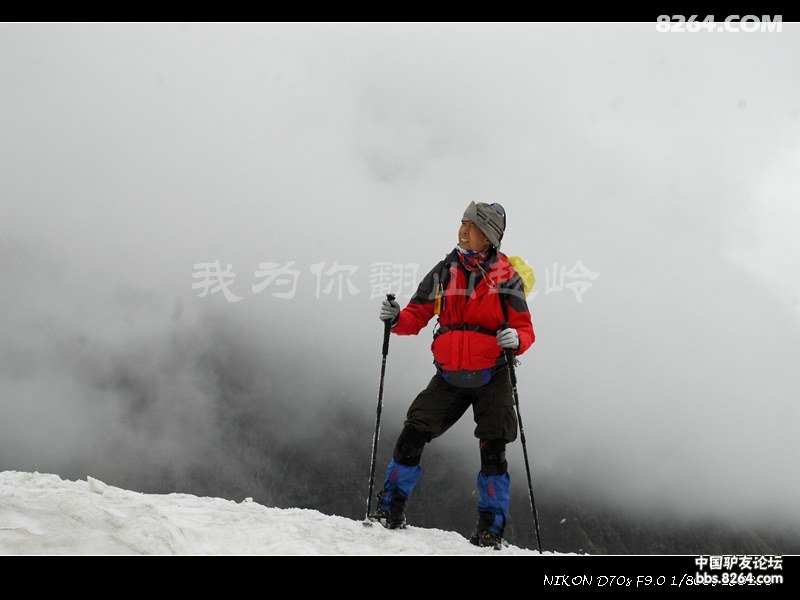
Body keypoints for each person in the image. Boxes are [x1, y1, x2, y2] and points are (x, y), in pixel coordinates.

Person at [372, 201, 535, 549]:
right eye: (462, 223)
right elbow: (416, 314)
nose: (463, 230)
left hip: (493, 374)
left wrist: (517, 339)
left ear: (489, 237)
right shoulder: (444, 270)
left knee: (493, 448)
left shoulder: (507, 278)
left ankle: (489, 530)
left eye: (472, 226)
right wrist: (397, 317)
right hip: (450, 374)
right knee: (414, 430)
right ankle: (390, 509)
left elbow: (524, 327)